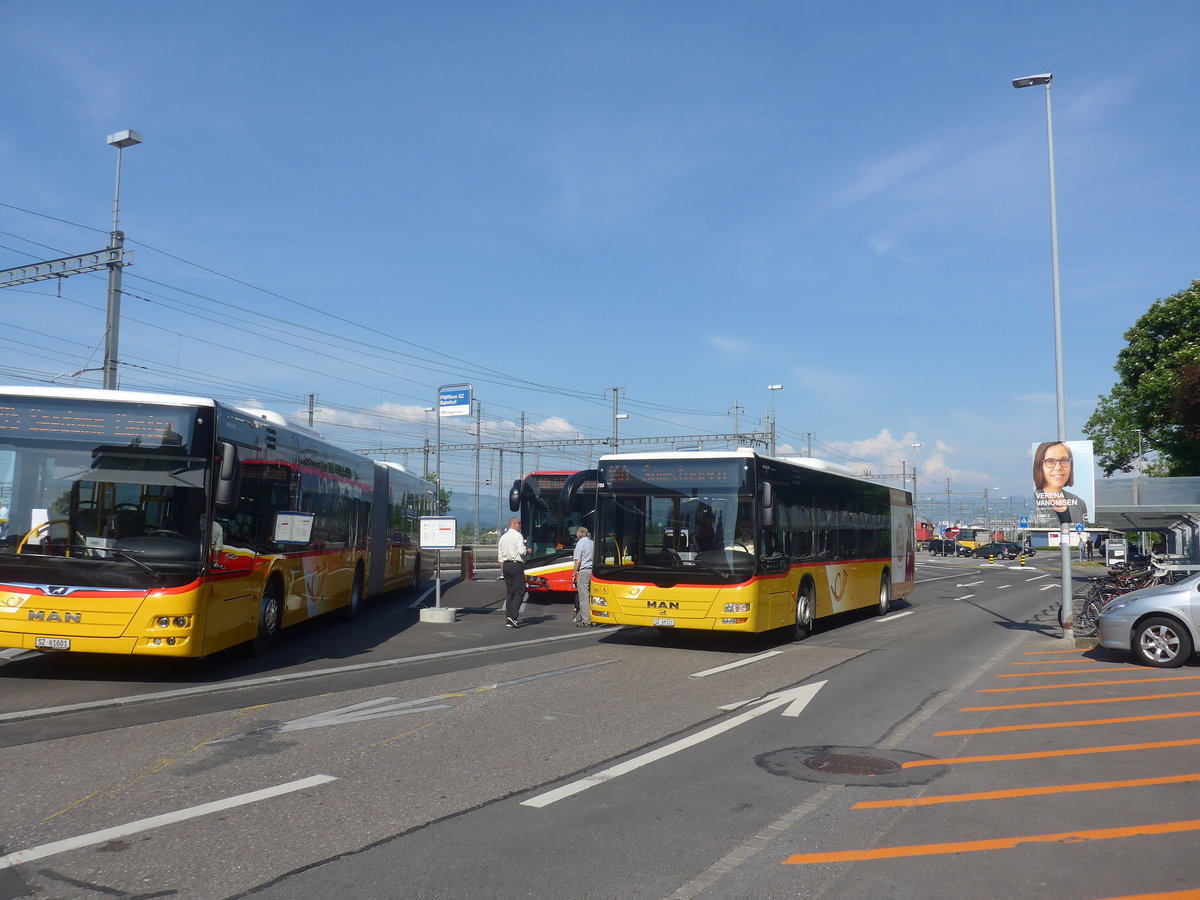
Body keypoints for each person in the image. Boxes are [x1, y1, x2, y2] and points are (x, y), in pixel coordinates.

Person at [1032, 441, 1088, 524]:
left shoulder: (1079, 502)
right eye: (1050, 461)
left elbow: (1086, 528)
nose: (1058, 467)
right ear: (1039, 467)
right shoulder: (1032, 502)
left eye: (1064, 460)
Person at [497, 516, 529, 627]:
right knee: (520, 591)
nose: (520, 525)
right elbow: (522, 551)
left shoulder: (503, 537)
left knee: (510, 592)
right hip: (516, 565)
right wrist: (528, 550)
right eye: (519, 523)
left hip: (506, 565)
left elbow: (500, 557)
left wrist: (502, 570)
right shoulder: (518, 535)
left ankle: (508, 617)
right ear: (514, 523)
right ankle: (513, 616)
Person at [572, 526, 594, 626]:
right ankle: (594, 617)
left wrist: (574, 573)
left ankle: (586, 620)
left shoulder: (580, 544)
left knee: (584, 597)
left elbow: (578, 561)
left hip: (584, 571)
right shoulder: (592, 543)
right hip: (593, 571)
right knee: (592, 596)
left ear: (578, 535)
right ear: (587, 534)